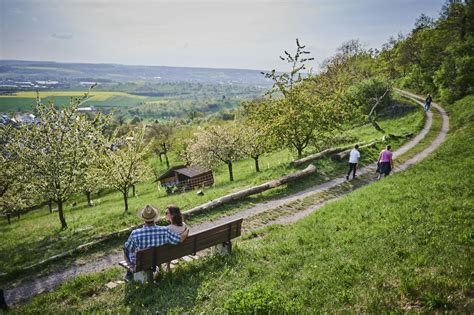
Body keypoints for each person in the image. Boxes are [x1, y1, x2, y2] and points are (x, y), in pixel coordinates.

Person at [123, 204, 188, 282]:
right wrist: (186, 232)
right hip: (158, 259)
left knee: (126, 248)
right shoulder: (164, 230)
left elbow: (129, 248)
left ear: (143, 218)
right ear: (155, 218)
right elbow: (179, 239)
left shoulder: (135, 233)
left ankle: (130, 271)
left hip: (140, 263)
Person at [164, 205, 189, 272]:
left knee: (166, 248)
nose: (165, 215)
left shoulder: (168, 229)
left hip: (169, 253)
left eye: (166, 213)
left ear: (172, 215)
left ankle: (167, 267)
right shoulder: (184, 225)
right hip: (182, 250)